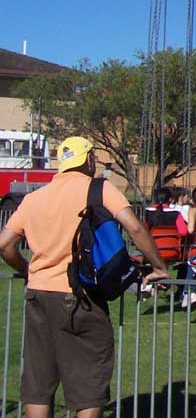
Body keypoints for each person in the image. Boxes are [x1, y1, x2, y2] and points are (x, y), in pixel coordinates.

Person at [0, 136, 169, 418]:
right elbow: (135, 228)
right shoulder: (100, 190)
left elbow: (5, 244)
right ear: (89, 159)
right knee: (89, 383)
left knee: (39, 381)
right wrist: (160, 267)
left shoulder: (33, 199)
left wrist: (26, 269)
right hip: (80, 295)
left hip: (38, 296)